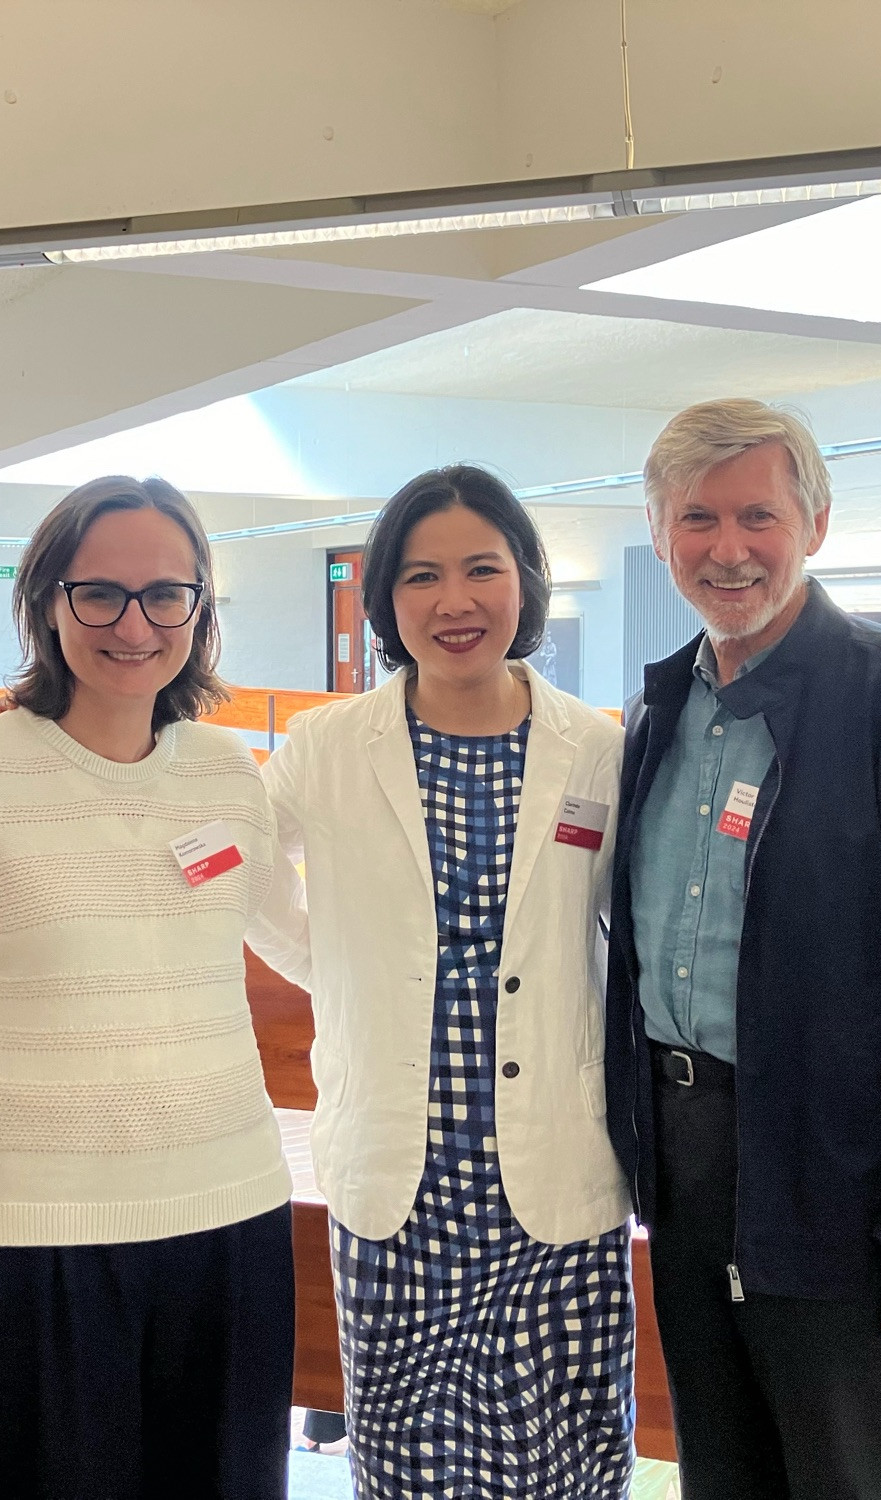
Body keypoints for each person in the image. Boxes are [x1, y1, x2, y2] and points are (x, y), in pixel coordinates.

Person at [605, 399, 881, 1499]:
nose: (726, 549)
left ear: (813, 523)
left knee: (855, 1481)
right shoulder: (661, 714)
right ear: (660, 533)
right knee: (725, 1473)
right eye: (696, 519)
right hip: (688, 1172)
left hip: (845, 1193)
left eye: (755, 514)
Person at [0, 475, 301, 1499]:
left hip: (229, 1229)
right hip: (27, 1247)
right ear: (46, 602)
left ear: (199, 608)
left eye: (164, 594)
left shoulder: (230, 775)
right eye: (98, 593)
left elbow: (308, 945)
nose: (132, 623)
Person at [248, 465, 634, 1498]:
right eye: (419, 576)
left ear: (524, 583)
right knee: (408, 1461)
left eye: (480, 569)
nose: (451, 602)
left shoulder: (595, 752)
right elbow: (236, 868)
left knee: (565, 1461)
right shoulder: (326, 745)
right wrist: (331, 966)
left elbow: (631, 932)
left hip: (551, 1165)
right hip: (397, 1179)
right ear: (384, 599)